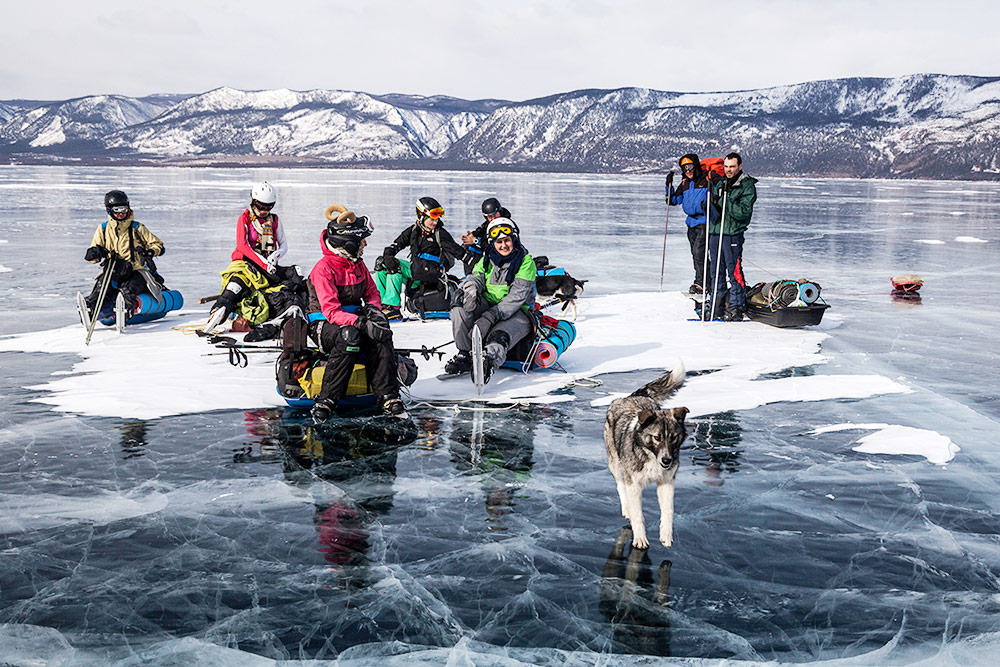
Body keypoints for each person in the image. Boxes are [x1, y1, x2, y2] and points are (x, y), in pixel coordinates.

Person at [307, 205, 405, 421]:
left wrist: (373, 312)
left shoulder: (357, 265)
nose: (365, 245)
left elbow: (372, 292)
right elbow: (331, 311)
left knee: (381, 332)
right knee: (349, 337)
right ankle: (327, 400)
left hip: (353, 319)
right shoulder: (324, 269)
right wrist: (361, 323)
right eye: (362, 241)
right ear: (349, 244)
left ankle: (388, 395)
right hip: (324, 325)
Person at [444, 217, 537, 385]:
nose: (503, 245)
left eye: (507, 240)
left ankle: (489, 362)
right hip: (489, 305)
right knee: (460, 304)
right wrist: (470, 289)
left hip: (518, 312)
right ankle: (465, 354)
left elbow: (517, 297)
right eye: (499, 242)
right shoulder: (487, 258)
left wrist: (490, 316)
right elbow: (476, 277)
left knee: (499, 335)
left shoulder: (525, 262)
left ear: (514, 239)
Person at [206, 181, 304, 335]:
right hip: (246, 265)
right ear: (253, 201)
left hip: (267, 266)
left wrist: (274, 257)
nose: (264, 211)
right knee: (236, 286)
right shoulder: (244, 219)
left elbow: (283, 245)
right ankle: (219, 312)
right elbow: (243, 246)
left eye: (269, 207)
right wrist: (264, 263)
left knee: (296, 275)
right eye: (261, 206)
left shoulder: (275, 220)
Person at [374, 197, 470, 319]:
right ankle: (380, 305)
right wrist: (388, 255)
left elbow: (458, 252)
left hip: (431, 273)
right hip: (416, 271)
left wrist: (476, 264)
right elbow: (396, 245)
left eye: (437, 219)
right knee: (382, 263)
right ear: (421, 216)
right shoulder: (414, 230)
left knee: (395, 265)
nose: (435, 222)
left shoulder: (440, 233)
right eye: (432, 219)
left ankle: (392, 308)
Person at [81, 190, 166, 323]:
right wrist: (95, 253)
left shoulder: (137, 228)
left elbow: (158, 245)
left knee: (128, 289)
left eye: (124, 209)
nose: (121, 213)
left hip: (137, 270)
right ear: (109, 210)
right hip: (114, 270)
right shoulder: (103, 229)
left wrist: (150, 252)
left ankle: (125, 313)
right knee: (102, 287)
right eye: (117, 209)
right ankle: (90, 309)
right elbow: (94, 256)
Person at [706, 152, 758, 321]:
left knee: (733, 271)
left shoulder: (746, 186)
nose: (728, 170)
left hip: (732, 234)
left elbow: (743, 213)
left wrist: (726, 199)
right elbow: (717, 209)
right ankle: (717, 305)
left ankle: (737, 306)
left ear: (740, 166)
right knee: (715, 272)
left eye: (732, 167)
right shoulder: (721, 183)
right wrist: (711, 202)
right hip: (716, 232)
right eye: (726, 167)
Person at [667, 154, 717, 294]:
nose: (687, 170)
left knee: (699, 252)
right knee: (696, 254)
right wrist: (668, 186)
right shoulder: (685, 183)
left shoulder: (707, 177)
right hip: (691, 223)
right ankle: (704, 281)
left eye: (690, 167)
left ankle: (703, 283)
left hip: (705, 221)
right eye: (684, 168)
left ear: (695, 166)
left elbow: (722, 189)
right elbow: (673, 201)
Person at [461, 197, 513, 274]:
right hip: (491, 253)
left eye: (495, 215)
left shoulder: (507, 225)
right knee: (469, 247)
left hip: (504, 255)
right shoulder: (489, 224)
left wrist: (476, 241)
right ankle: (472, 276)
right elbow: (481, 230)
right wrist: (470, 237)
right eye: (490, 217)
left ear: (500, 212)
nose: (493, 218)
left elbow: (495, 245)